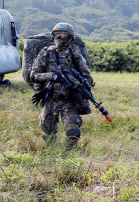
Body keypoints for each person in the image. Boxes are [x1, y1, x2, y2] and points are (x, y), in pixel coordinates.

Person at [30, 22, 94, 150]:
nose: (59, 38)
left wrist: (81, 86)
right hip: (50, 98)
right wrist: (50, 76)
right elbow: (34, 76)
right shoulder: (45, 54)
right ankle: (51, 153)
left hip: (69, 99)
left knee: (73, 132)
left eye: (63, 34)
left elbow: (87, 77)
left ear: (70, 38)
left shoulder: (75, 55)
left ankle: (69, 154)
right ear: (52, 36)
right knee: (48, 133)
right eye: (57, 34)